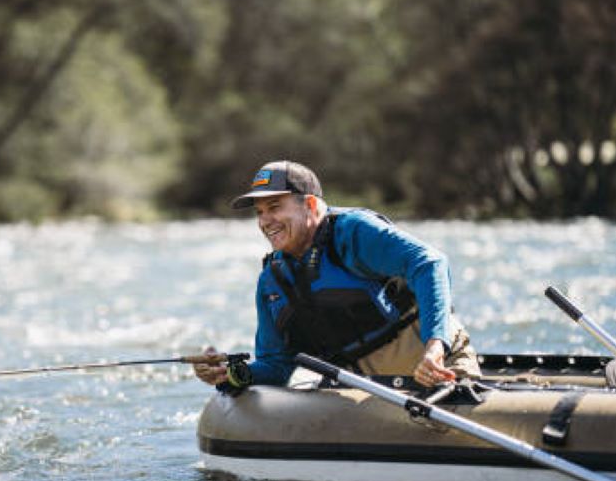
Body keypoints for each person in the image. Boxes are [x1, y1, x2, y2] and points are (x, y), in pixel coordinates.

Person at [194, 160, 480, 391]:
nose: (265, 221)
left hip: (438, 364)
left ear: (311, 206)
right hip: (367, 389)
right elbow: (277, 365)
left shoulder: (353, 232)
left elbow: (430, 264)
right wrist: (231, 373)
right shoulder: (271, 280)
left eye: (275, 207)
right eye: (259, 212)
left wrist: (434, 347)